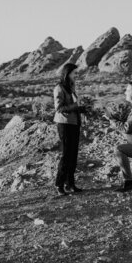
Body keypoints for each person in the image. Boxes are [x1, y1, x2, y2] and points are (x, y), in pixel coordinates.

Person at [53, 62, 86, 196]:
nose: (76, 75)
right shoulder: (59, 88)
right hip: (65, 124)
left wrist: (82, 108)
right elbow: (59, 108)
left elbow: (73, 104)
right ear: (67, 74)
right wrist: (76, 107)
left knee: (73, 154)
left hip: (74, 123)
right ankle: (59, 184)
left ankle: (70, 184)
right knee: (66, 155)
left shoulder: (71, 87)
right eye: (74, 73)